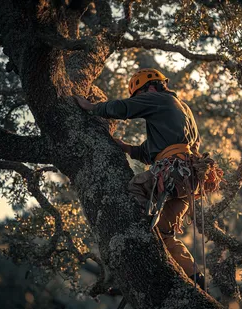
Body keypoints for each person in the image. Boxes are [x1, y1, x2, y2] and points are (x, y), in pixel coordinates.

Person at [75, 68, 205, 289]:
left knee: (136, 186)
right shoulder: (180, 109)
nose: (142, 101)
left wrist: (92, 107)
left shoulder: (158, 98)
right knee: (164, 235)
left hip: (173, 172)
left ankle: (142, 230)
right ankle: (195, 278)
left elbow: (124, 108)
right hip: (187, 180)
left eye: (141, 95)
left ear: (150, 87)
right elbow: (155, 149)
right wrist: (127, 148)